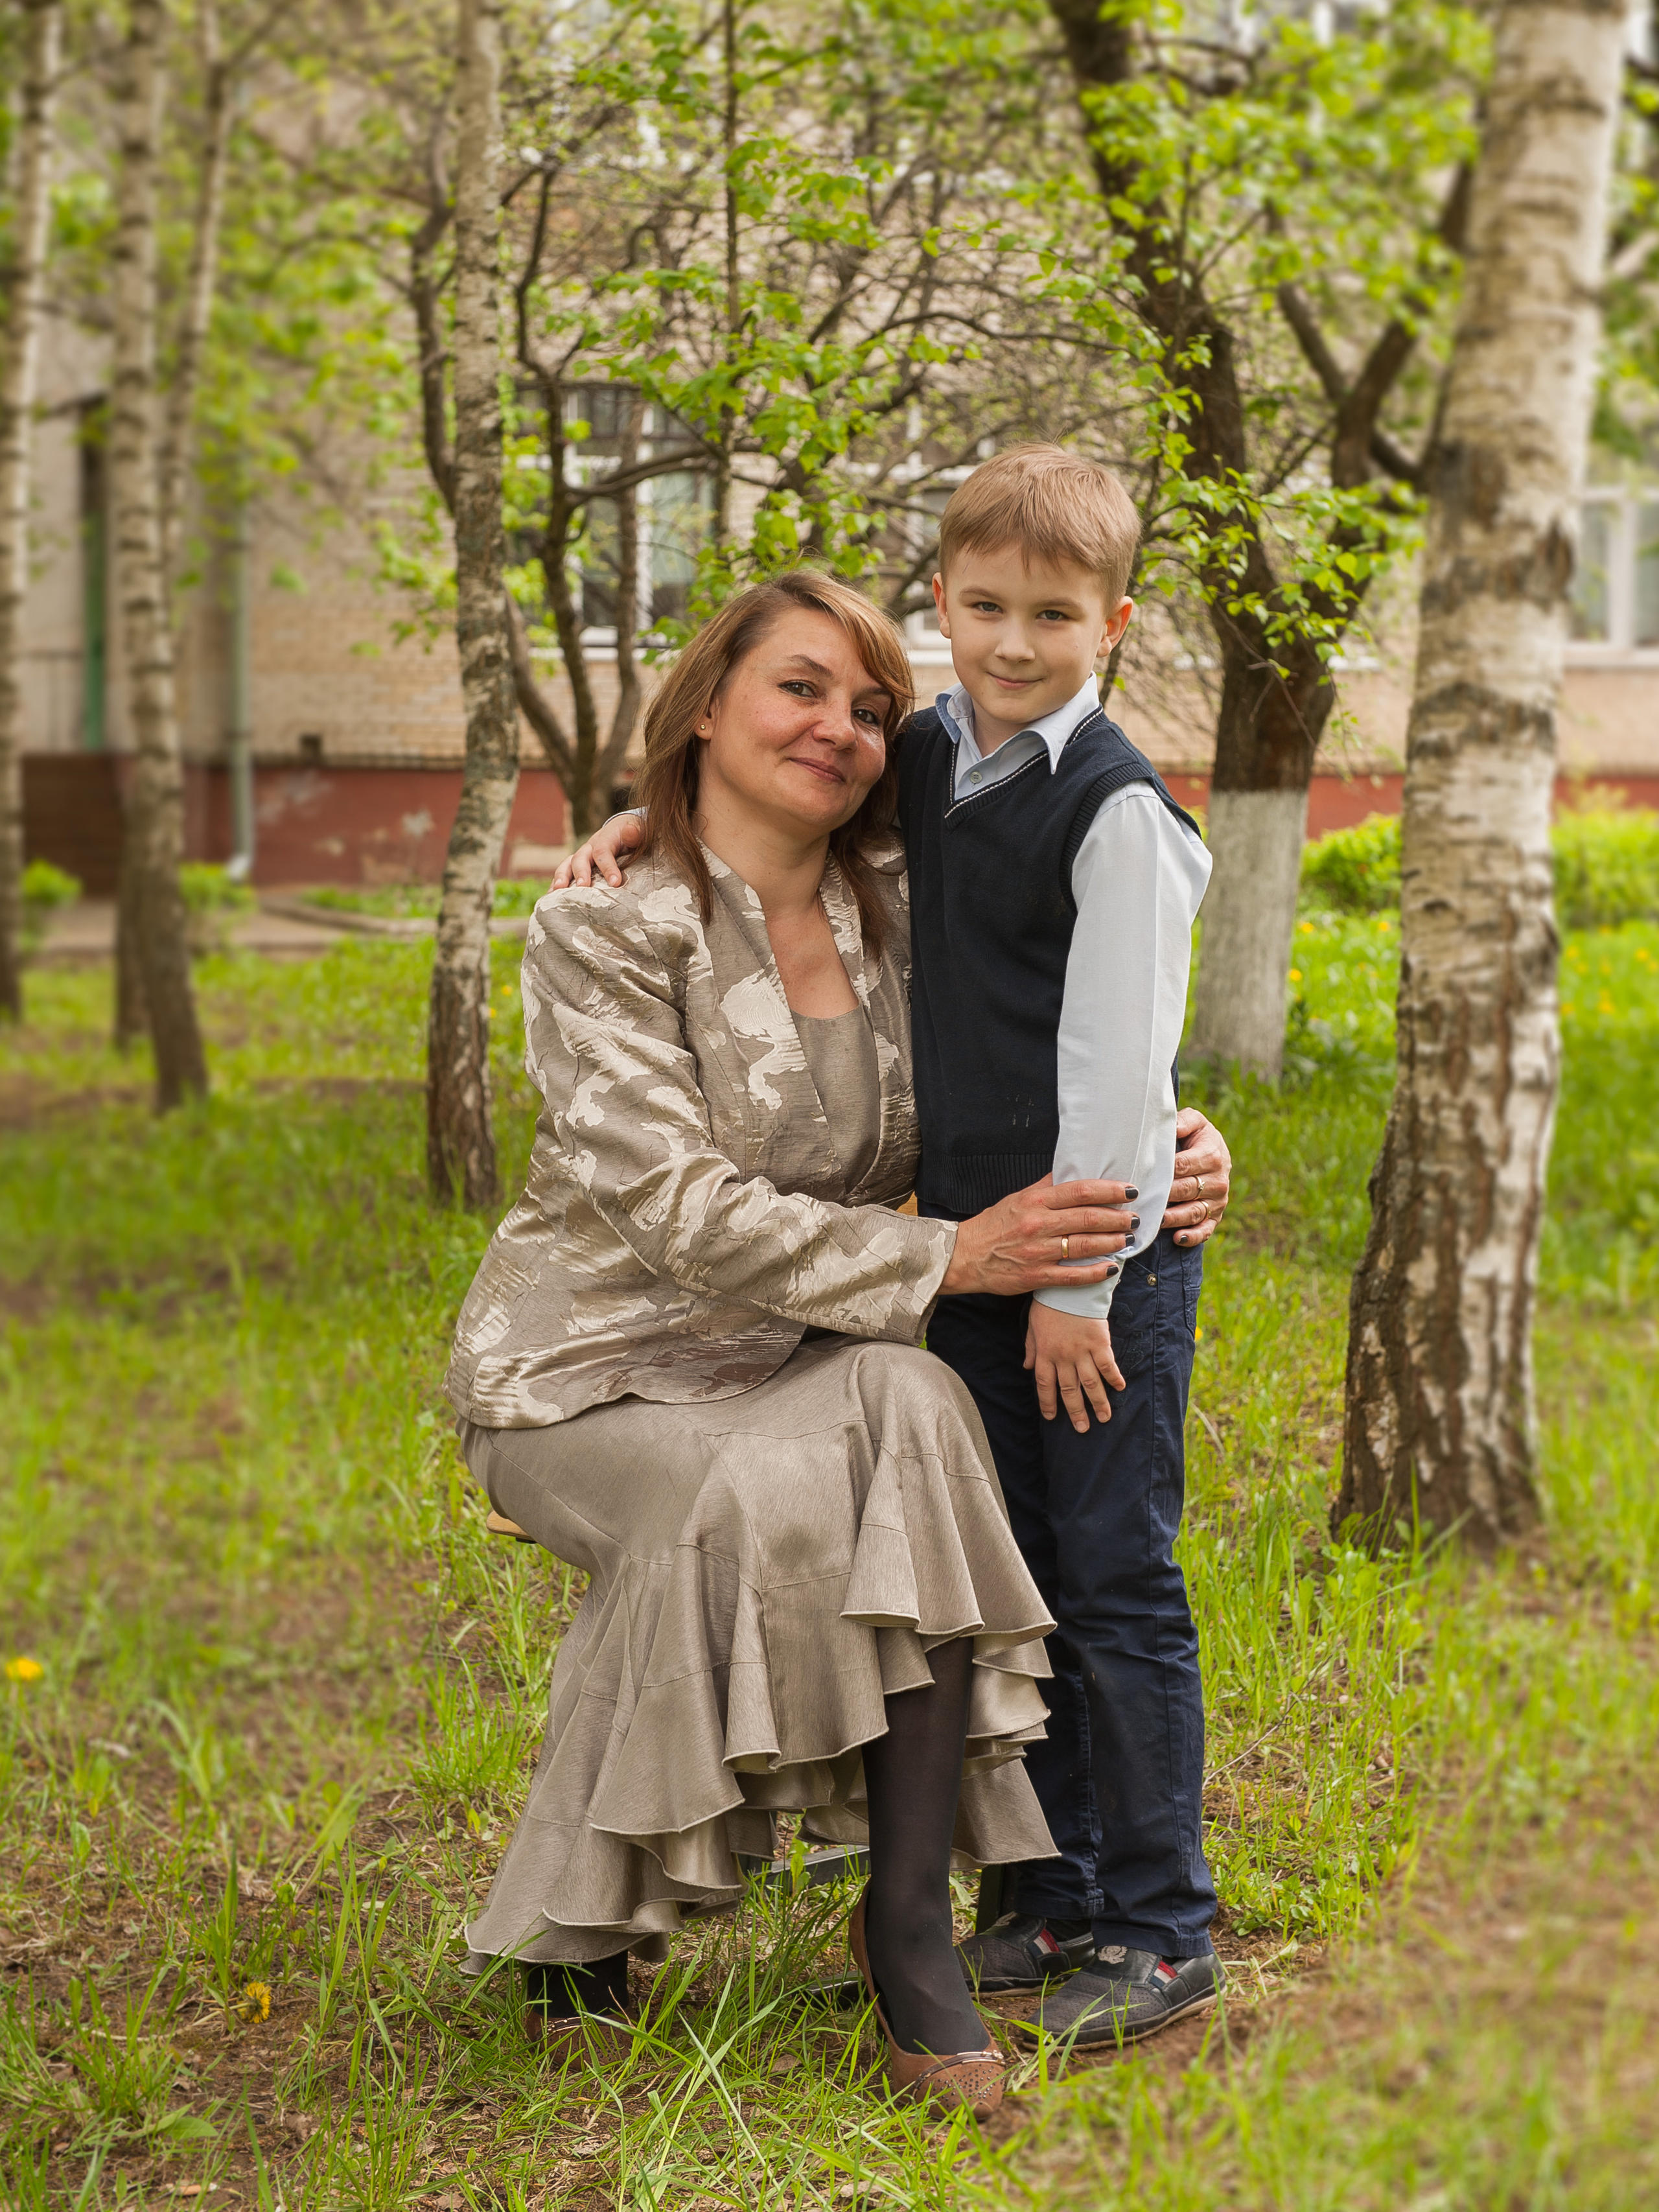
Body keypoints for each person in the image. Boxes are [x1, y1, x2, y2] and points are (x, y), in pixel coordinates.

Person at [447, 567, 1148, 2120]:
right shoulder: (602, 928)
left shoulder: (898, 897)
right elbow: (676, 1210)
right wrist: (951, 1254)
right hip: (583, 1375)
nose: (838, 728)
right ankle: (581, 1927)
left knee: (914, 1403)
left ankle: (905, 1930)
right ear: (708, 703)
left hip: (789, 1355)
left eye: (870, 709)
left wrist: (1170, 1135)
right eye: (798, 689)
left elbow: (1067, 1023)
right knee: (746, 1494)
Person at [561, 446, 1234, 2056]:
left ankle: (1161, 1925)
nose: (1013, 642)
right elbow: (781, 804)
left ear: (1112, 625)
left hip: (1085, 1271)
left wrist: (1082, 1278)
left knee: (1115, 1579)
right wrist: (643, 823)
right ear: (940, 602)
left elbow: (1116, 1060)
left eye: (1053, 616)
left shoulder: (1114, 807)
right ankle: (1049, 1893)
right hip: (972, 1253)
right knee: (1022, 1583)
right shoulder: (930, 751)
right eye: (983, 607)